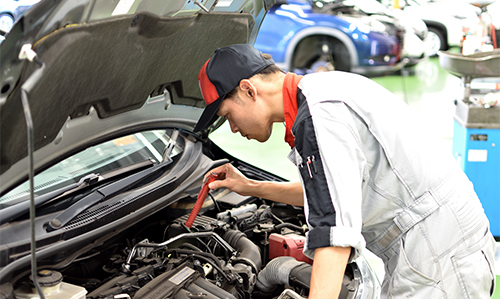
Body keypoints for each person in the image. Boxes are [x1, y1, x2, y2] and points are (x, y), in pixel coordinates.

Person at [193, 44, 496, 298]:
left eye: (228, 115)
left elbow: (334, 238)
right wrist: (251, 187)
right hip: (437, 246)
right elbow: (333, 194)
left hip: (438, 256)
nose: (232, 127)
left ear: (248, 90)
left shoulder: (320, 116)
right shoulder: (319, 91)